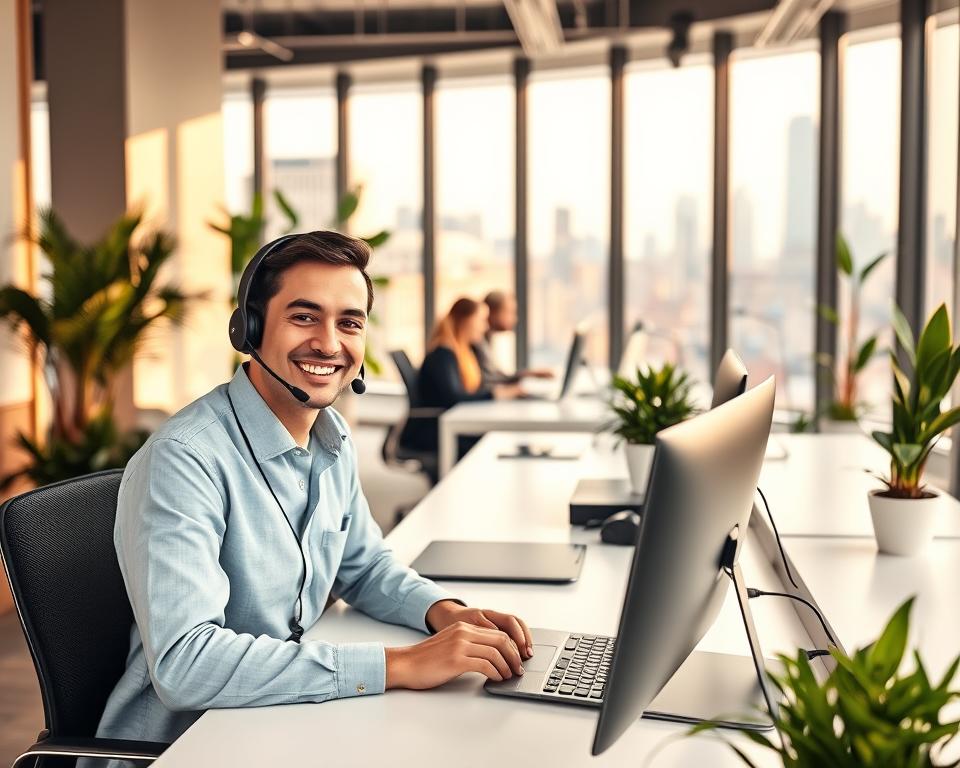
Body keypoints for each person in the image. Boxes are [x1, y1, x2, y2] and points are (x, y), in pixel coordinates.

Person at [92, 232, 533, 751]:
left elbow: (363, 566)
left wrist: (442, 611)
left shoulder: (332, 437)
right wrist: (402, 664)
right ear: (250, 328)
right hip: (184, 745)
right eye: (304, 316)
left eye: (349, 323)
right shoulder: (186, 458)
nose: (329, 343)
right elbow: (186, 665)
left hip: (282, 722)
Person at [399, 298, 524, 469]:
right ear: (466, 321)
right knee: (490, 442)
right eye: (481, 320)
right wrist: (496, 394)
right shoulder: (443, 354)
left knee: (494, 440)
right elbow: (454, 398)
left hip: (445, 423)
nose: (485, 326)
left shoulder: (463, 351)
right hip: (433, 429)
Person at [474, 290, 554, 386]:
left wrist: (529, 374)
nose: (515, 319)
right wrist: (527, 375)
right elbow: (489, 380)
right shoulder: (476, 341)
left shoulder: (487, 339)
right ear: (492, 312)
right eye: (509, 312)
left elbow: (496, 375)